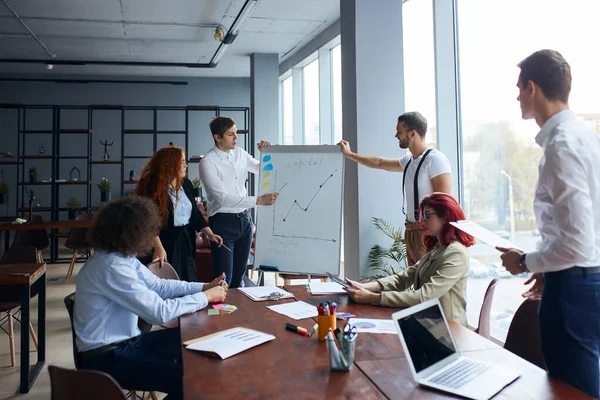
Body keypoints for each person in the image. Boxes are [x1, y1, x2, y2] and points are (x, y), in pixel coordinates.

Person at [497, 49, 600, 399]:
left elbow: (577, 243)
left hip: (574, 289)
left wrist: (525, 261)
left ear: (533, 88)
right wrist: (544, 264)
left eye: (518, 88)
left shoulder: (561, 145)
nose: (516, 96)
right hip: (585, 281)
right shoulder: (586, 137)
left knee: (573, 390)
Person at [74, 196, 227, 399]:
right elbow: (159, 313)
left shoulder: (120, 257)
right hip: (106, 358)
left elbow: (158, 285)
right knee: (191, 379)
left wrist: (204, 287)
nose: (152, 235)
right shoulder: (112, 266)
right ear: (132, 233)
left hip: (128, 343)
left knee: (192, 338)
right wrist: (206, 297)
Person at [338, 111, 452, 266]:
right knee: (415, 281)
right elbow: (379, 163)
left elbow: (445, 203)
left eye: (399, 132)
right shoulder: (409, 161)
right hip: (410, 230)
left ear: (412, 134)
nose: (396, 135)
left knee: (426, 282)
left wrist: (436, 237)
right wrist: (350, 155)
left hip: (427, 232)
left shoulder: (435, 160)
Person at [344, 192, 475, 326]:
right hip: (430, 323)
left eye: (427, 216)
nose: (423, 221)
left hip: (449, 329)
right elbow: (405, 277)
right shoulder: (437, 248)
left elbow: (424, 295)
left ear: (445, 217)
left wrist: (373, 298)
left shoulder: (455, 253)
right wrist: (365, 287)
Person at [199, 116, 279, 288]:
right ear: (217, 137)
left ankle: (240, 315)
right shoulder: (208, 162)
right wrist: (257, 200)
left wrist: (265, 153)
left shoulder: (240, 153)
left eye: (236, 133)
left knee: (239, 278)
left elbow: (264, 170)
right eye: (230, 134)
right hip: (223, 223)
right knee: (223, 279)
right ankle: (220, 314)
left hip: (245, 222)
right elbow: (222, 198)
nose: (236, 138)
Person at [133, 146, 223, 282]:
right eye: (182, 161)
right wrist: (158, 248)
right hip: (161, 241)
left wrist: (210, 233)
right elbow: (147, 223)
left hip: (185, 241)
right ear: (170, 164)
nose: (186, 165)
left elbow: (195, 214)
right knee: (164, 283)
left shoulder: (186, 184)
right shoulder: (151, 187)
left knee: (187, 280)